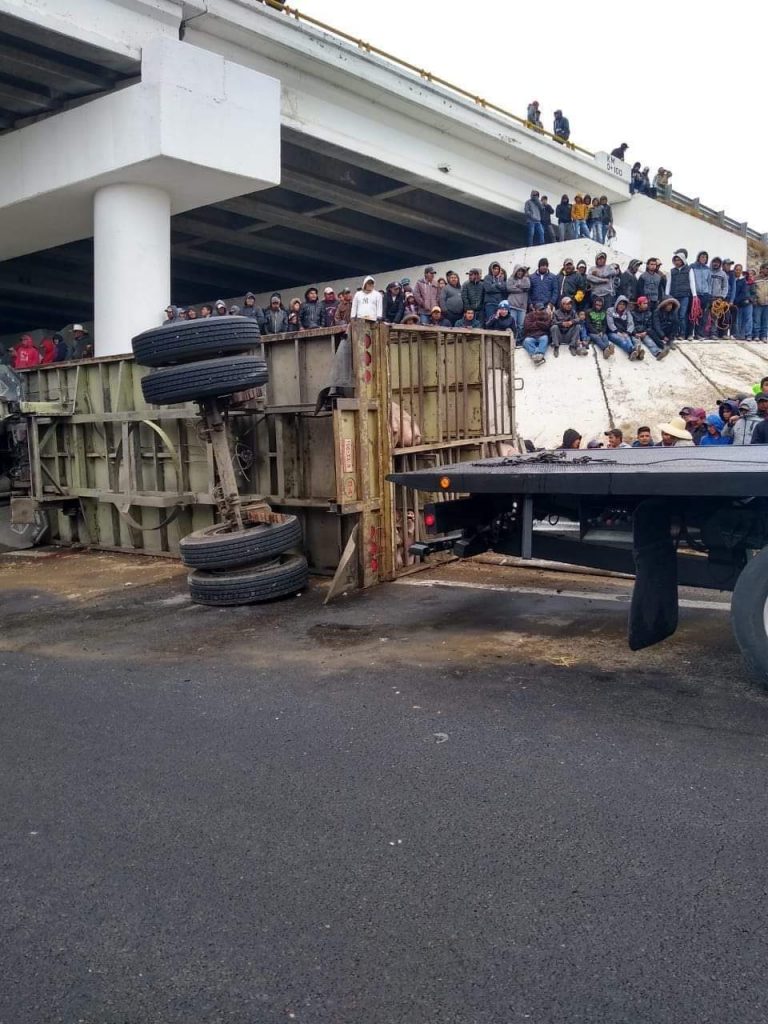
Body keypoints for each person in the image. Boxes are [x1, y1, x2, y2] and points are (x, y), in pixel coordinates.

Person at [666, 249, 696, 339]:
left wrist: (694, 296)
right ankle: (675, 333)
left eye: (678, 260)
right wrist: (667, 296)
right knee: (674, 315)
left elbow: (692, 282)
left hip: (684, 296)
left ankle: (682, 334)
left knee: (682, 315)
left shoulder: (689, 269)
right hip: (674, 296)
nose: (677, 262)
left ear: (682, 260)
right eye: (675, 260)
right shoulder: (672, 271)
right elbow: (668, 284)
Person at [690, 252, 712, 339]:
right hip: (695, 294)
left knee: (702, 315)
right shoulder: (693, 267)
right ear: (698, 257)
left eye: (705, 257)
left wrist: (709, 293)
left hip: (705, 294)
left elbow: (709, 282)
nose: (703, 259)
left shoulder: (708, 269)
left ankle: (698, 333)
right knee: (693, 314)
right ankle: (690, 333)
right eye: (702, 257)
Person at [506, 265, 530, 337]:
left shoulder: (526, 279)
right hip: (512, 305)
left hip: (522, 307)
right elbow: (509, 288)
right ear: (515, 271)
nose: (520, 272)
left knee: (521, 325)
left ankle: (519, 340)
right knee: (513, 324)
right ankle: (513, 340)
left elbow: (527, 286)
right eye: (518, 271)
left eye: (521, 271)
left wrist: (516, 286)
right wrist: (521, 289)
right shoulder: (510, 279)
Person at [730, 264, 753, 340]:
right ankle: (739, 335)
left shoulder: (743, 280)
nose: (738, 271)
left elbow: (743, 293)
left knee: (748, 319)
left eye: (739, 269)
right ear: (734, 270)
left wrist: (734, 301)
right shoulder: (732, 280)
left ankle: (748, 335)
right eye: (736, 269)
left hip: (746, 302)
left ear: (741, 271)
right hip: (738, 304)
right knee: (738, 320)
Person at [754, 264, 768, 343]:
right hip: (758, 303)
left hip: (767, 303)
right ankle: (756, 335)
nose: (767, 270)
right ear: (761, 269)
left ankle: (764, 336)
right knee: (757, 320)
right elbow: (753, 290)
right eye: (766, 268)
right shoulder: (756, 279)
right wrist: (755, 299)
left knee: (765, 321)